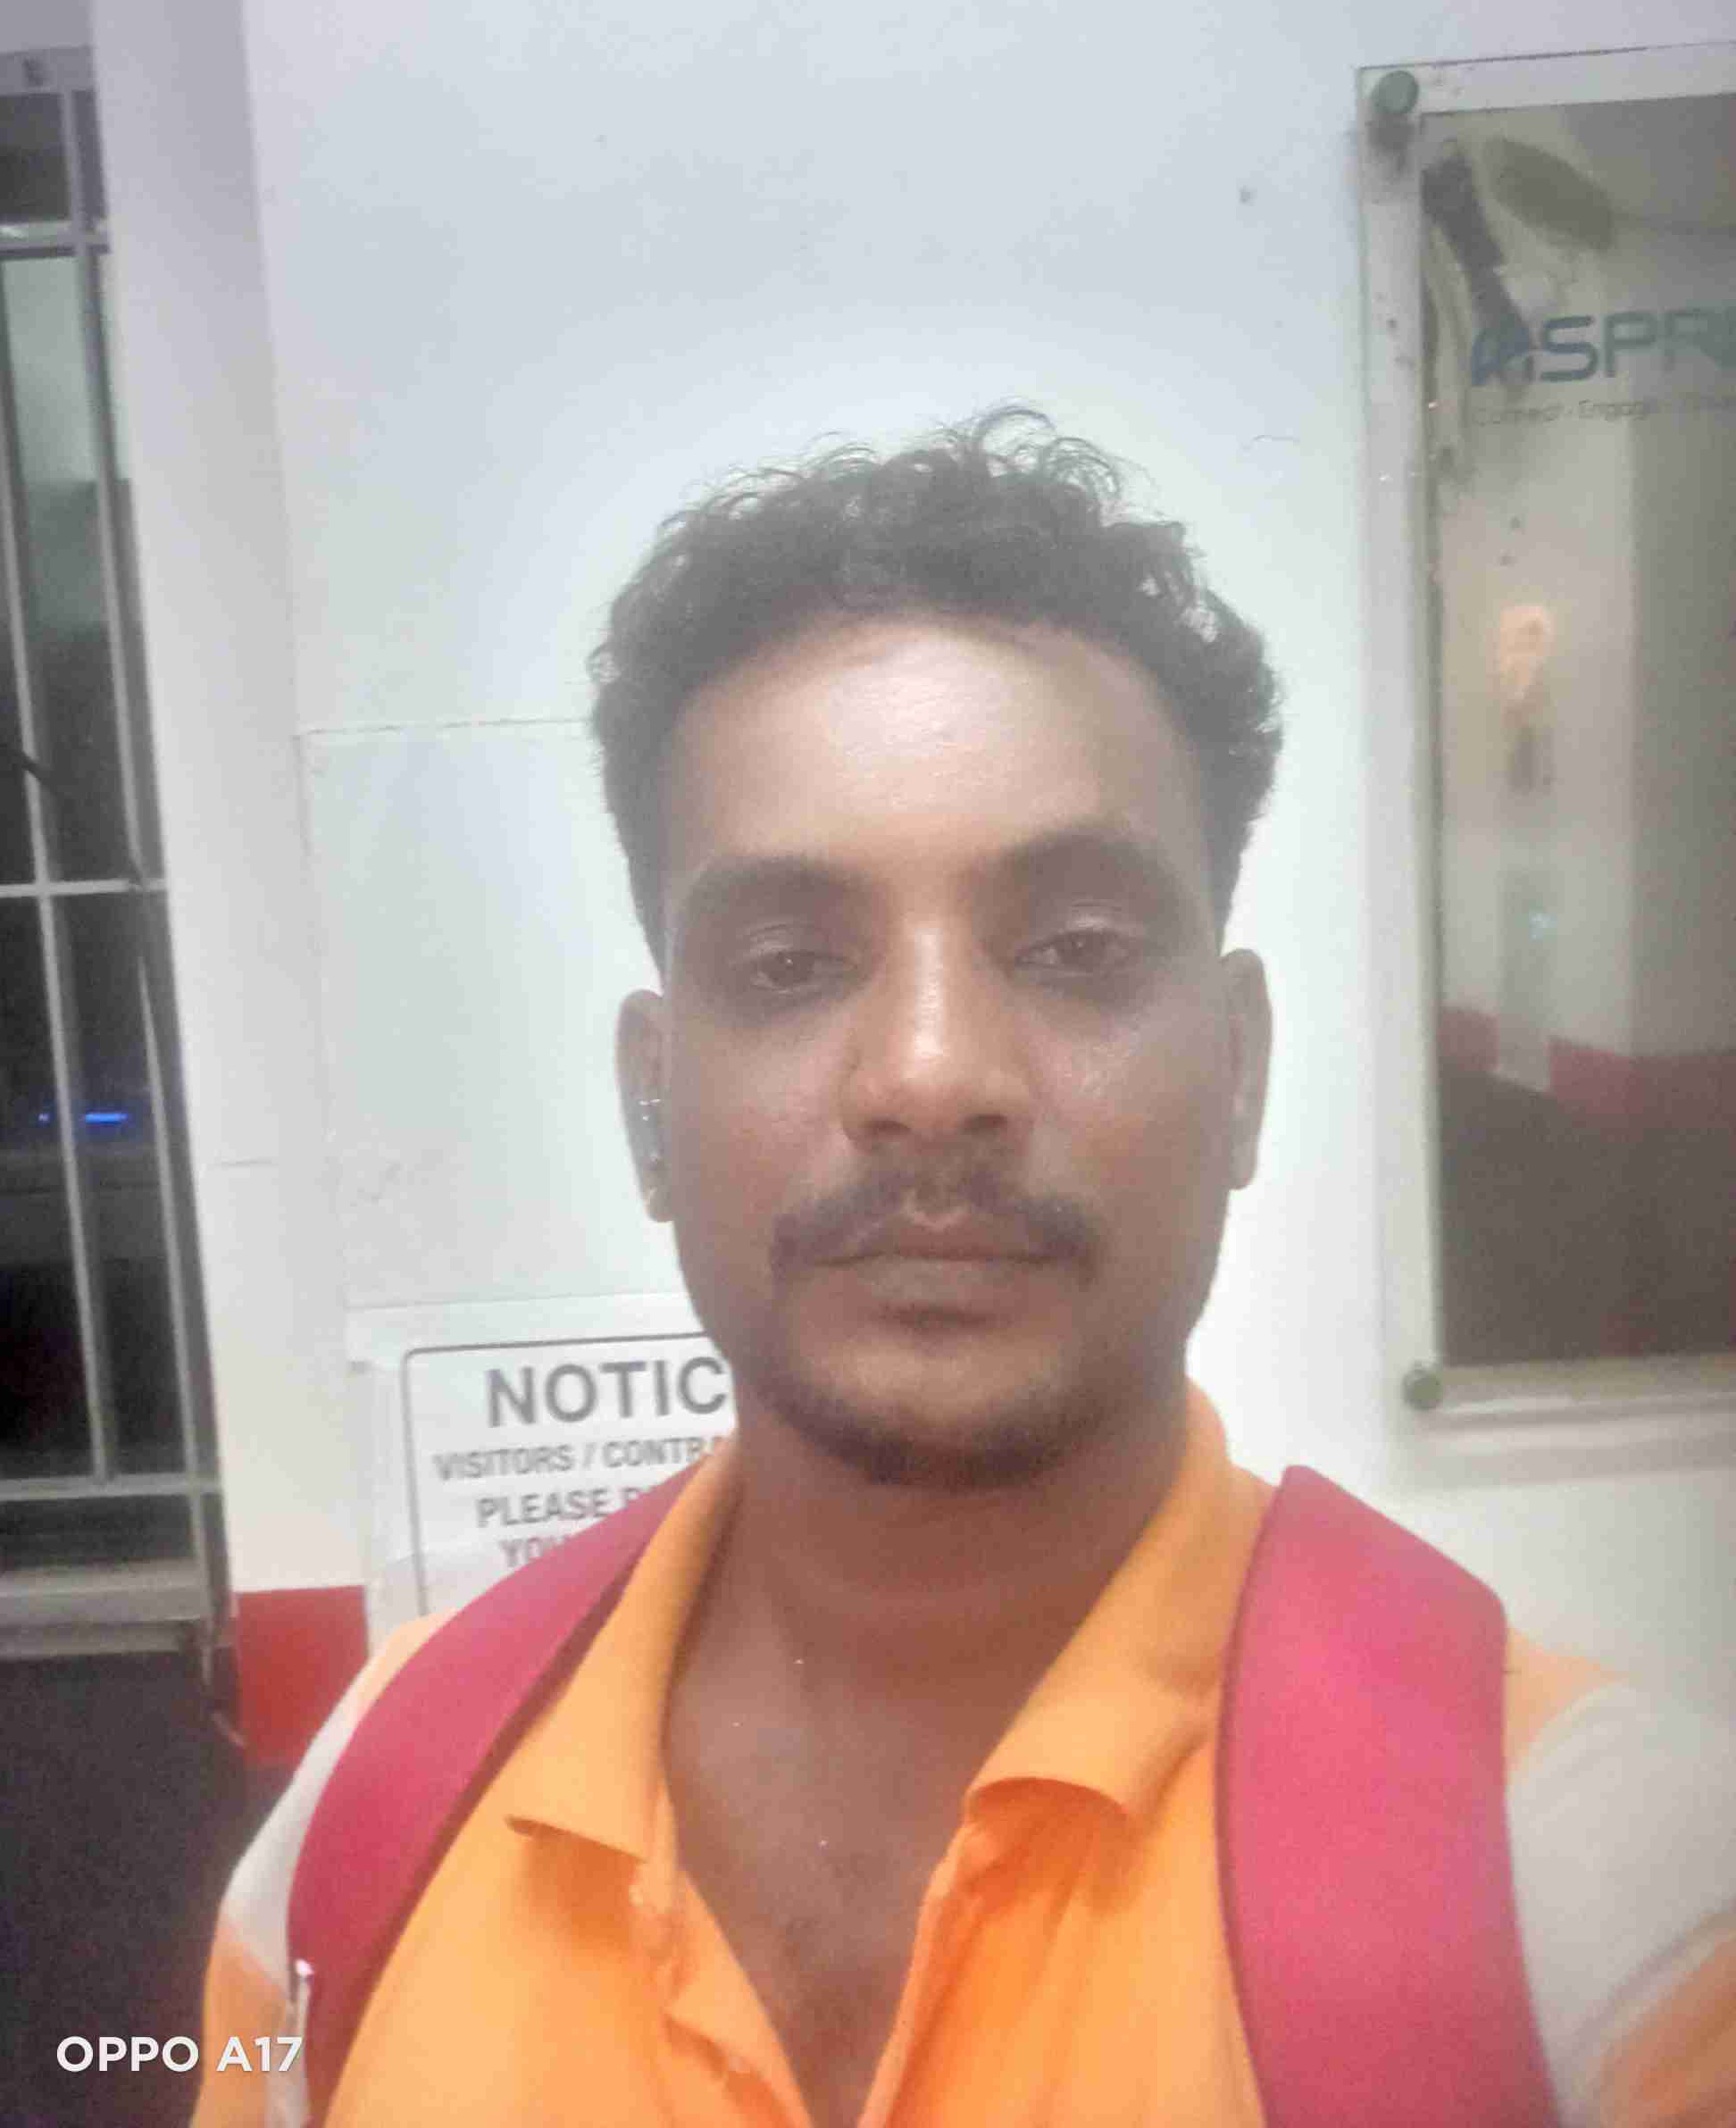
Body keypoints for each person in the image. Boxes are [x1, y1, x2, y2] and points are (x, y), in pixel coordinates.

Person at [194, 410, 1736, 2127]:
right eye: (791, 966)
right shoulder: (356, 1841)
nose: (931, 1077)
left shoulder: (1606, 1914)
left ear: (1240, 1071)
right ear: (651, 1106)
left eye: (1074, 950)